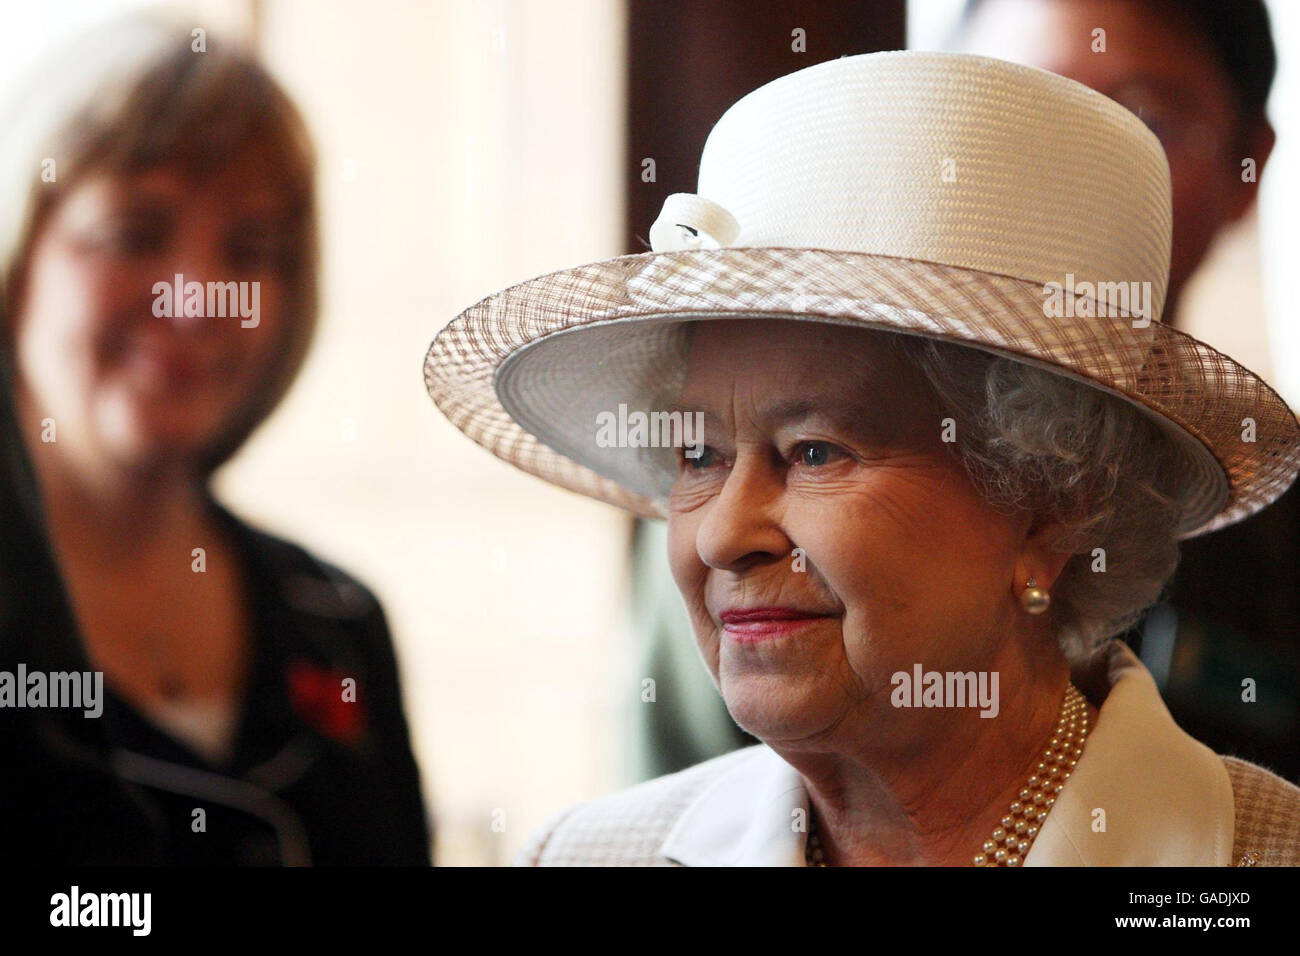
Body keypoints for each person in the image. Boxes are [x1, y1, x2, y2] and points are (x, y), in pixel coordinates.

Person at [425, 51, 1300, 865]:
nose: (724, 534)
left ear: (1053, 502)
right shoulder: (586, 856)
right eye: (699, 453)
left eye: (813, 451)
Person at [0, 19, 430, 865]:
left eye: (249, 251)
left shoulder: (337, 623)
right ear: (18, 258)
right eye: (135, 233)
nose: (199, 301)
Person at [956, 0, 1300, 781]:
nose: (1076, 174)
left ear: (1251, 163)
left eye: (1145, 122)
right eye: (1024, 113)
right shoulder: (791, 475)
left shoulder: (1281, 520)